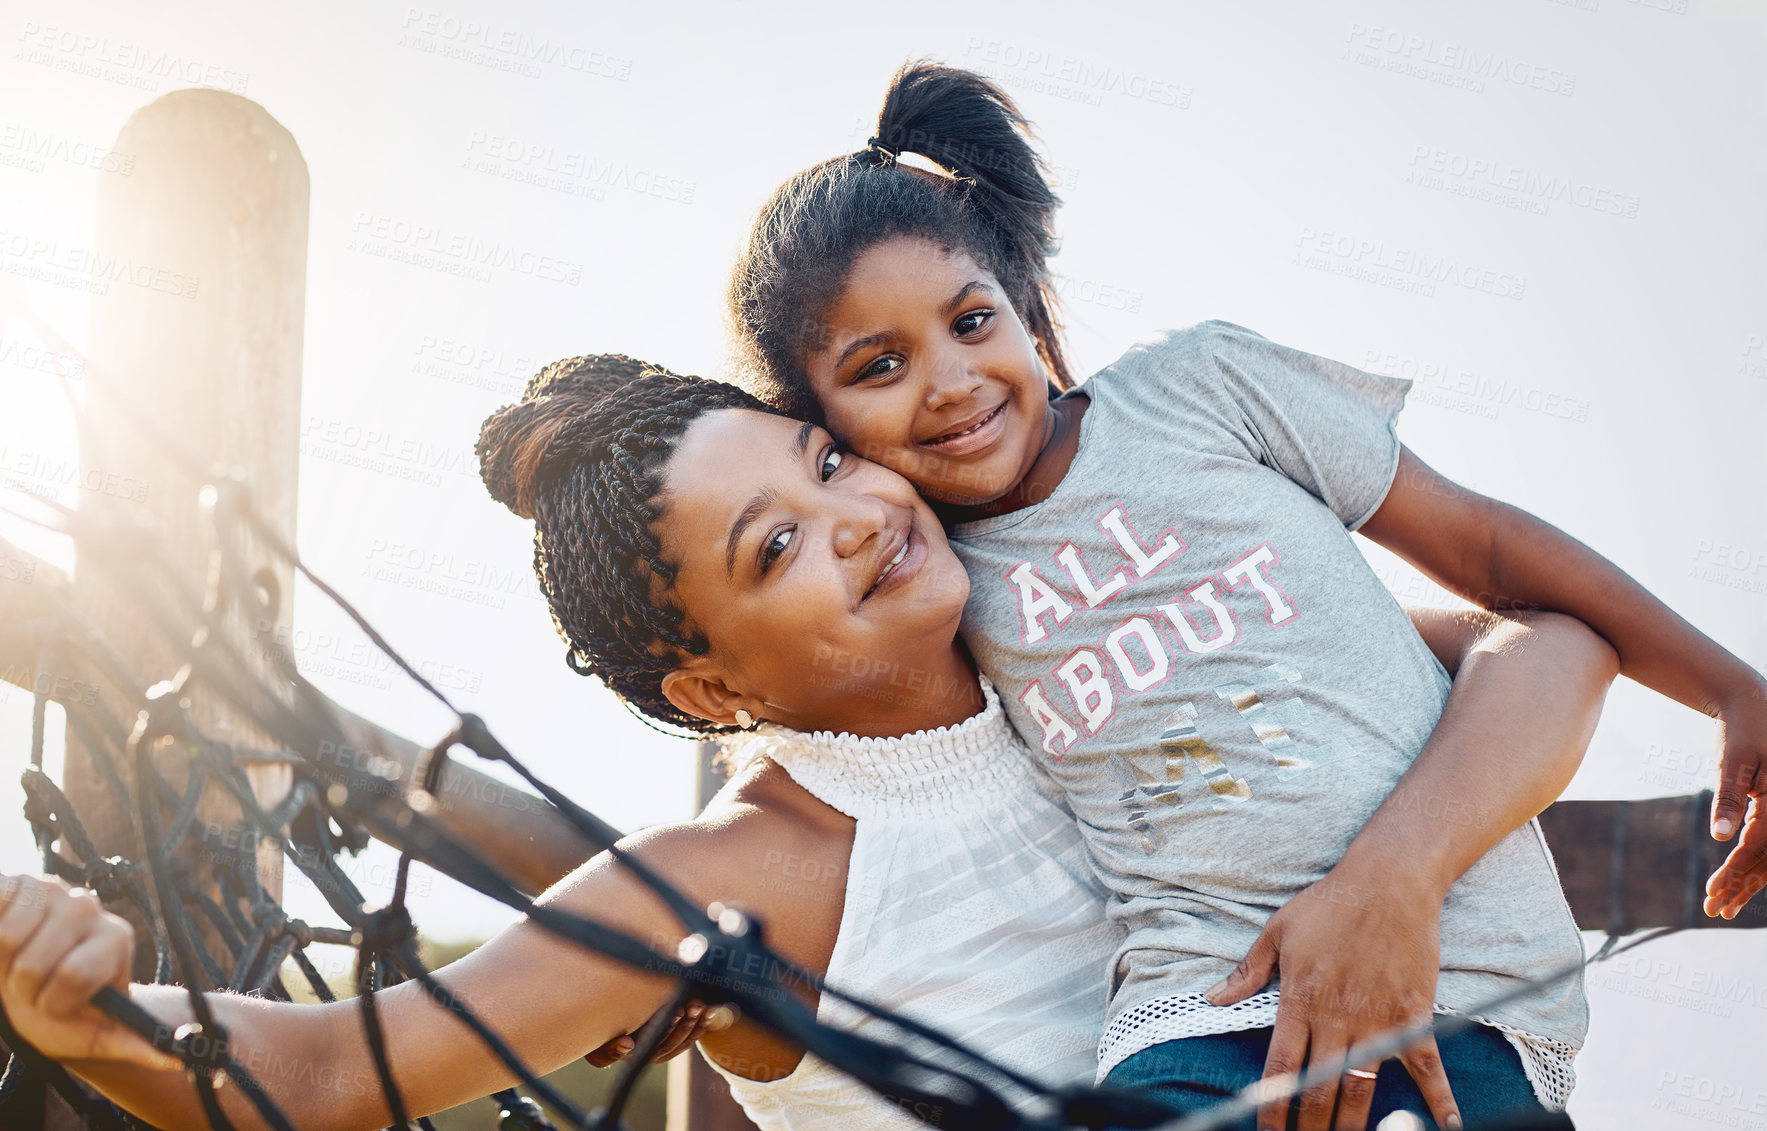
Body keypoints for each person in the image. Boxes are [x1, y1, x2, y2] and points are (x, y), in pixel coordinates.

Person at [0, 360, 1620, 1131]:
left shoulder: (1098, 650)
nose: (854, 520)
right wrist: (89, 1008)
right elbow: (324, 1068)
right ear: (711, 693)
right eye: (771, 552)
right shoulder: (746, 873)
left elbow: (1529, 645)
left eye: (828, 462)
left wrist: (1396, 875)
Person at [722, 61, 1767, 1128]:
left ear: (1023, 310)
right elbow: (835, 762)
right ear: (821, 426)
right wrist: (697, 970)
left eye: (971, 321)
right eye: (879, 365)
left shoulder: (1200, 387)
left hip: (1465, 992)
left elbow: (1492, 554)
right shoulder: (936, 592)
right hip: (1197, 1016)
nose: (948, 379)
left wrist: (1735, 691)